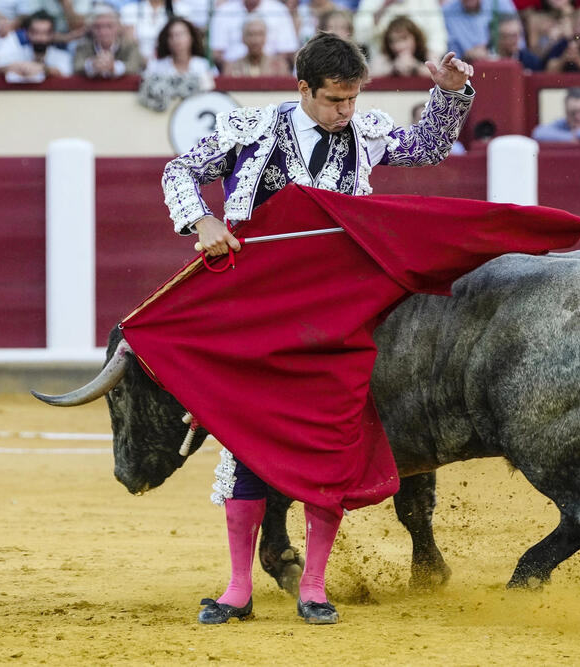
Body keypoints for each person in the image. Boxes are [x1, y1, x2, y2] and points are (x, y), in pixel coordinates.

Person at [161, 31, 474, 626]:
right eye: (335, 100)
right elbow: (179, 171)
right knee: (246, 443)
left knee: (328, 441)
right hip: (262, 307)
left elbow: (425, 149)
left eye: (353, 99)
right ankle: (236, 588)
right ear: (303, 89)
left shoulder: (365, 130)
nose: (346, 112)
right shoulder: (249, 130)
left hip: (339, 308)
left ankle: (313, 585)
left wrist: (451, 97)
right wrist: (201, 219)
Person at [208, 0, 299, 69]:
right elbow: (216, 54)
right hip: (233, 73)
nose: (255, 40)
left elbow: (287, 53)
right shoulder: (223, 11)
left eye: (259, 34)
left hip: (271, 73)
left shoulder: (279, 10)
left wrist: (265, 67)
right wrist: (236, 67)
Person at [0, 10, 72, 81]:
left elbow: (66, 73)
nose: (40, 38)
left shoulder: (62, 56)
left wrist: (43, 69)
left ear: (52, 34)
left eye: (45, 33)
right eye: (35, 33)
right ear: (27, 33)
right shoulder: (16, 52)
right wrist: (13, 68)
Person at [354, 0, 448, 59]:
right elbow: (361, 37)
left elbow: (438, 38)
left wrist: (427, 62)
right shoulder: (370, 2)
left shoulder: (428, 2)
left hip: (422, 62)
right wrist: (383, 7)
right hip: (383, 62)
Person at [73, 3, 143, 78]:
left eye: (109, 26)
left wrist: (114, 66)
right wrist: (92, 65)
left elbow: (135, 65)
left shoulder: (130, 46)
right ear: (91, 29)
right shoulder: (82, 46)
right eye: (97, 27)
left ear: (118, 27)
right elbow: (77, 66)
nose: (103, 32)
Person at [143, 16, 215, 87]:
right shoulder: (155, 67)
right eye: (171, 35)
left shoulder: (204, 65)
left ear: (191, 37)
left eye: (181, 34)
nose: (176, 39)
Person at [442, 0, 518, 63]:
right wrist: (468, 56)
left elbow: (517, 40)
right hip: (464, 67)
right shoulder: (447, 11)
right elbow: (450, 54)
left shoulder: (500, 3)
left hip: (502, 62)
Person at [221, 16, 290, 76]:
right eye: (250, 34)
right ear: (243, 38)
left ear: (265, 37)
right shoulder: (232, 67)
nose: (255, 40)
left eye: (259, 34)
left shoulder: (279, 66)